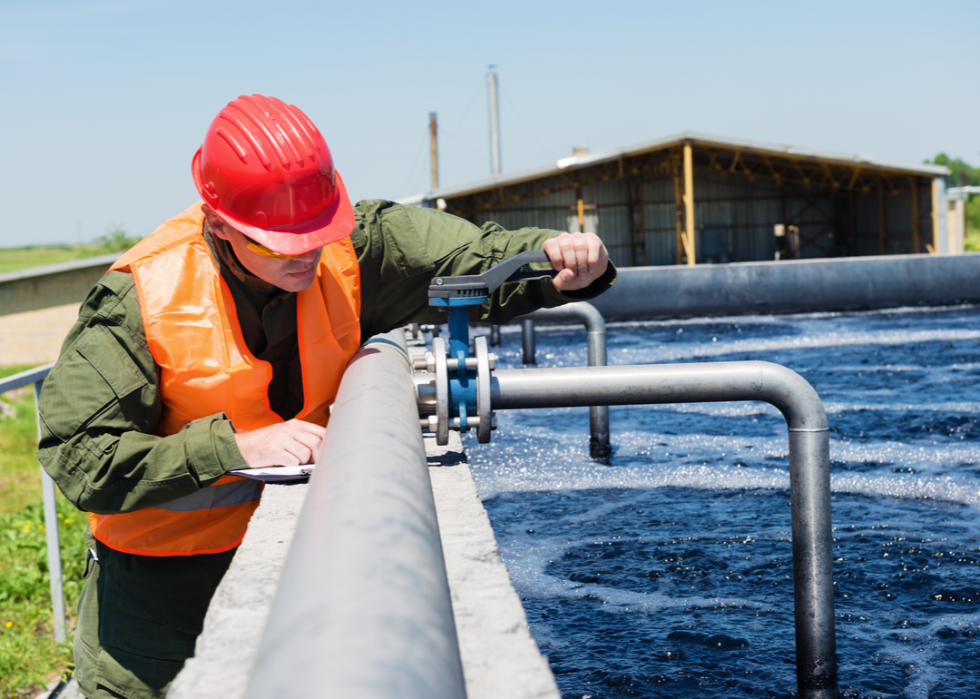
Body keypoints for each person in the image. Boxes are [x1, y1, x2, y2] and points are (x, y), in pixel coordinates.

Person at [37, 93, 614, 699]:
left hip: (307, 569)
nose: (307, 253)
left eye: (318, 232)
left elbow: (473, 258)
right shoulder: (139, 299)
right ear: (220, 224)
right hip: (158, 603)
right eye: (283, 243)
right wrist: (233, 446)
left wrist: (560, 259)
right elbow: (79, 456)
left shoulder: (357, 245)